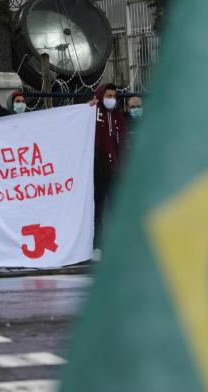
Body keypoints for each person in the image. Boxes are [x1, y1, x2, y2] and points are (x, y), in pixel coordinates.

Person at [91, 83, 128, 261]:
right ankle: (97, 246)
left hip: (115, 171)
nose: (111, 99)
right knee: (97, 209)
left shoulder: (119, 117)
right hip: (97, 169)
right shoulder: (93, 113)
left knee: (117, 209)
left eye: (113, 96)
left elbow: (123, 144)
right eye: (108, 96)